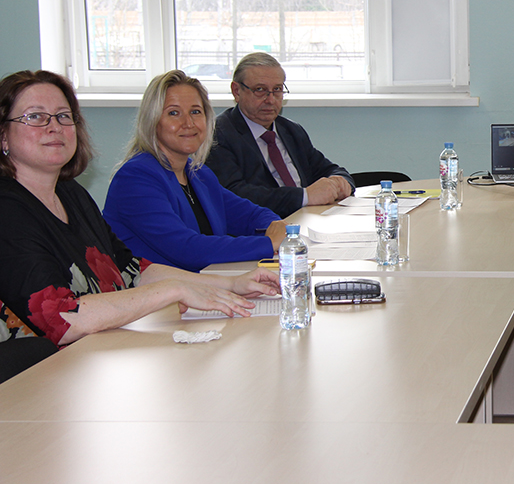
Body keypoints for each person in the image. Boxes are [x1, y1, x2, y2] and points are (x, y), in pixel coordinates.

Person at [0, 70, 279, 347]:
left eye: (63, 116)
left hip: (101, 347)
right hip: (42, 367)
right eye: (35, 116)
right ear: (3, 135)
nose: (54, 127)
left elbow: (132, 269)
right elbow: (60, 319)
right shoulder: (7, 210)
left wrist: (231, 284)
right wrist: (174, 290)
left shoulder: (71, 193)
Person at [104, 71, 287, 272]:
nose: (188, 123)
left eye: (195, 112)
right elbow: (187, 250)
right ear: (152, 121)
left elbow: (251, 215)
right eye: (174, 113)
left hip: (200, 282)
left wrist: (276, 226)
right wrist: (268, 243)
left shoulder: (198, 174)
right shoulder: (135, 179)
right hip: (156, 290)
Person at [206, 53, 354, 216]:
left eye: (277, 89)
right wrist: (305, 196)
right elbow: (234, 195)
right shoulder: (218, 135)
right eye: (260, 90)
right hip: (264, 226)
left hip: (310, 220)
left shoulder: (291, 130)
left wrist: (340, 182)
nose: (270, 100)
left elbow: (330, 169)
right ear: (236, 91)